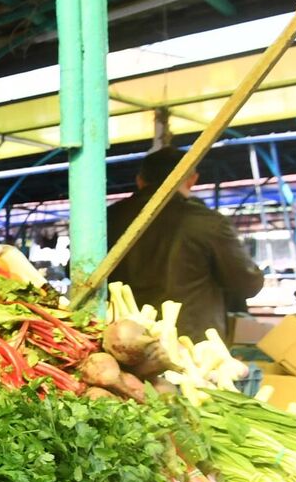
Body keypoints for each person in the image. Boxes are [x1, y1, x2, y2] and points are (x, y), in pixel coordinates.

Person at [106, 146, 265, 342]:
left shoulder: (107, 220)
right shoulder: (208, 223)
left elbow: (78, 274)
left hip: (118, 341)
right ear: (192, 180)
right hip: (189, 346)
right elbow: (247, 285)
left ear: (140, 181)